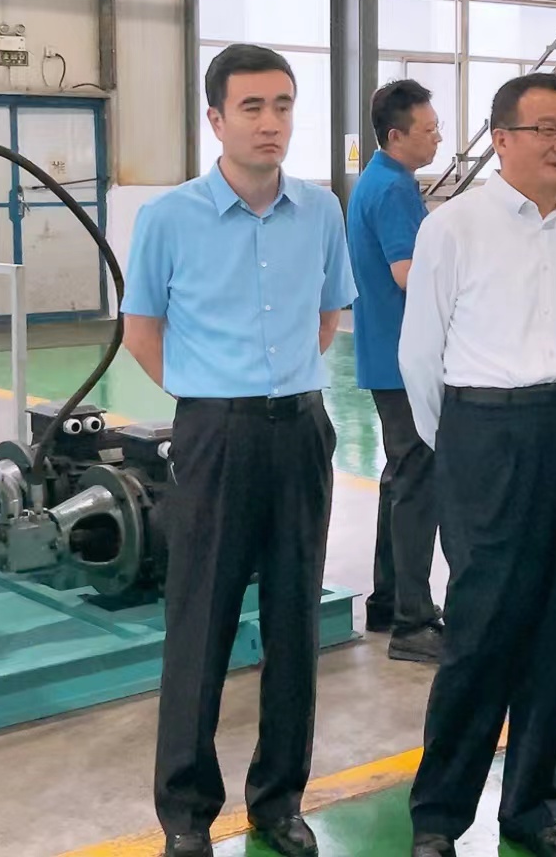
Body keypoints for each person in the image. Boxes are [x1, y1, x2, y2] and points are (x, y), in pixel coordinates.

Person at [123, 44, 357, 857]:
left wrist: (279, 388)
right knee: (202, 622)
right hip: (214, 435)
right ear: (216, 119)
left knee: (295, 621)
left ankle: (279, 800)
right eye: (252, 107)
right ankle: (187, 816)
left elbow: (327, 314)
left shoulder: (321, 211)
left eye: (283, 105)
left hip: (301, 430)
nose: (270, 122)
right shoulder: (169, 219)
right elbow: (141, 331)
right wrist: (210, 394)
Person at [401, 72, 556, 857]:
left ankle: (531, 810)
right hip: (484, 429)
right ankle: (438, 817)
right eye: (546, 129)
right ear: (501, 139)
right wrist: (460, 447)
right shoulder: (454, 227)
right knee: (481, 628)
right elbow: (420, 355)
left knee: (554, 628)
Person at [346, 79, 445, 663]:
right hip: (404, 357)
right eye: (428, 131)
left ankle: (389, 601)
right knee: (417, 483)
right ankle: (414, 621)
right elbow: (409, 273)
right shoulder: (393, 189)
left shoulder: (379, 180)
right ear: (395, 135)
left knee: (400, 477)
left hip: (387, 354)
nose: (438, 139)